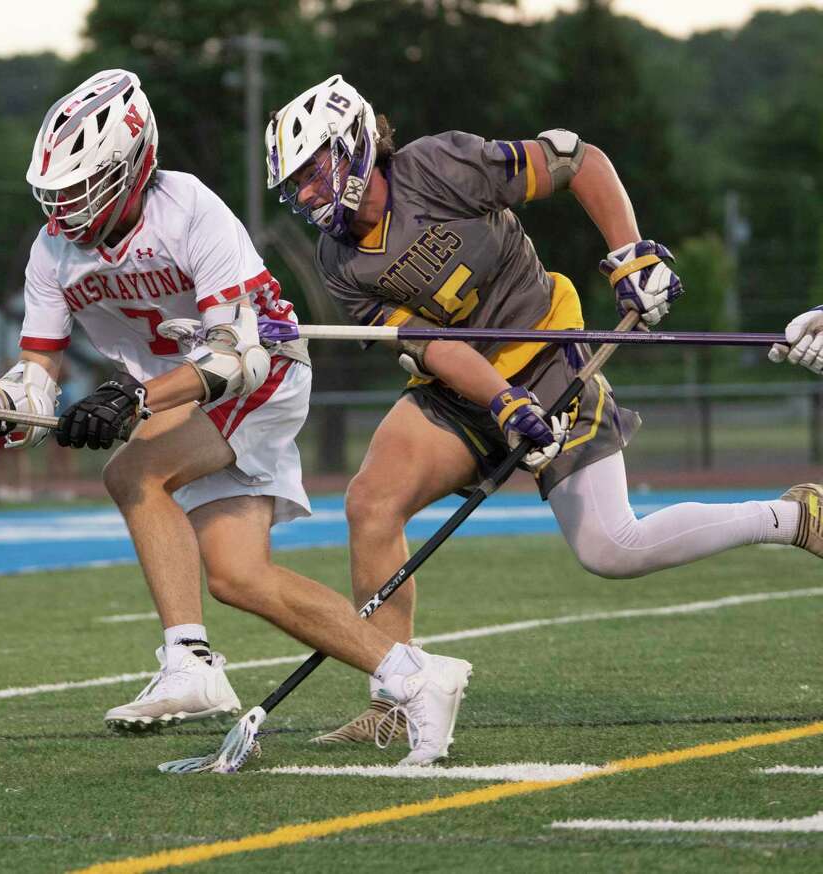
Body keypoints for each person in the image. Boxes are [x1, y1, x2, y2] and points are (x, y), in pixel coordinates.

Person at [0, 69, 474, 766]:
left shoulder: (187, 207)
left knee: (132, 474)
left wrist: (133, 400)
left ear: (131, 163)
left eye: (80, 188)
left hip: (259, 370)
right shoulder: (53, 250)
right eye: (54, 192)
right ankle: (416, 676)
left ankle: (190, 661)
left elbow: (234, 357)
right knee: (238, 576)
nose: (64, 208)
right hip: (184, 392)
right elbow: (35, 392)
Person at [265, 74, 823, 746]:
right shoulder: (338, 260)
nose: (304, 193)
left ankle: (794, 517)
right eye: (293, 183)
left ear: (353, 144)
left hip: (551, 358)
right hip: (463, 384)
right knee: (370, 504)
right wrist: (502, 404)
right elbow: (433, 344)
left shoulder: (440, 166)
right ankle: (399, 692)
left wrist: (630, 256)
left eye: (311, 172)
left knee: (613, 549)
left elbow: (578, 159)